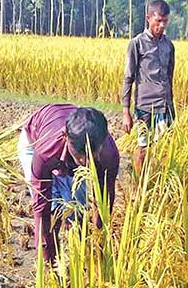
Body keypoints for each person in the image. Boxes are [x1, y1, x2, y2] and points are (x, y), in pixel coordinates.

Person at [17, 104, 119, 264]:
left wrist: (98, 244)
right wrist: (46, 261)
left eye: (91, 156)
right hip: (34, 141)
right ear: (65, 137)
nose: (85, 163)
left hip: (67, 154)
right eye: (81, 156)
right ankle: (54, 263)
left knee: (78, 209)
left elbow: (104, 203)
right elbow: (40, 207)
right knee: (53, 211)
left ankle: (81, 258)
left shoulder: (108, 153)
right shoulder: (45, 151)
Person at [121, 0, 175, 176]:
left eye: (165, 21)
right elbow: (128, 77)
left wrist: (171, 106)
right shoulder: (137, 44)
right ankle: (139, 184)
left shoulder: (169, 45)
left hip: (165, 106)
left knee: (166, 149)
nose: (161, 25)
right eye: (158, 20)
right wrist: (126, 112)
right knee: (144, 148)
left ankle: (159, 182)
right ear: (148, 18)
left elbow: (169, 77)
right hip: (145, 106)